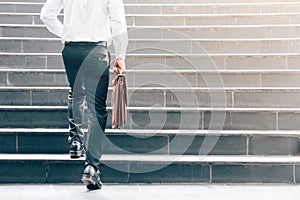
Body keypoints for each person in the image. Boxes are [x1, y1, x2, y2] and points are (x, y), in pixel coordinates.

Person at [40, 0, 128, 190]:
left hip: (71, 50)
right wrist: (120, 55)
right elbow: (118, 22)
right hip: (97, 51)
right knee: (96, 108)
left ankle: (75, 140)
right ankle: (91, 167)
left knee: (76, 93)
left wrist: (66, 34)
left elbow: (46, 14)